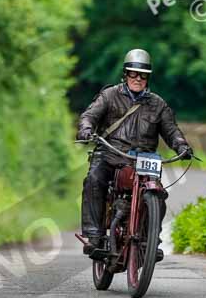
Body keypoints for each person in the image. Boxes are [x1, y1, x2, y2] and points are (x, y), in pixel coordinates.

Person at [76, 48, 193, 258]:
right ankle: (94, 235)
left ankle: (149, 242)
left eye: (143, 75)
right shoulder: (110, 95)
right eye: (133, 73)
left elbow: (172, 130)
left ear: (148, 78)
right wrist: (86, 129)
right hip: (111, 154)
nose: (138, 79)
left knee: (157, 195)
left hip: (144, 160)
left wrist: (181, 145)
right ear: (125, 74)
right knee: (94, 179)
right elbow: (89, 116)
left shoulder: (158, 104)